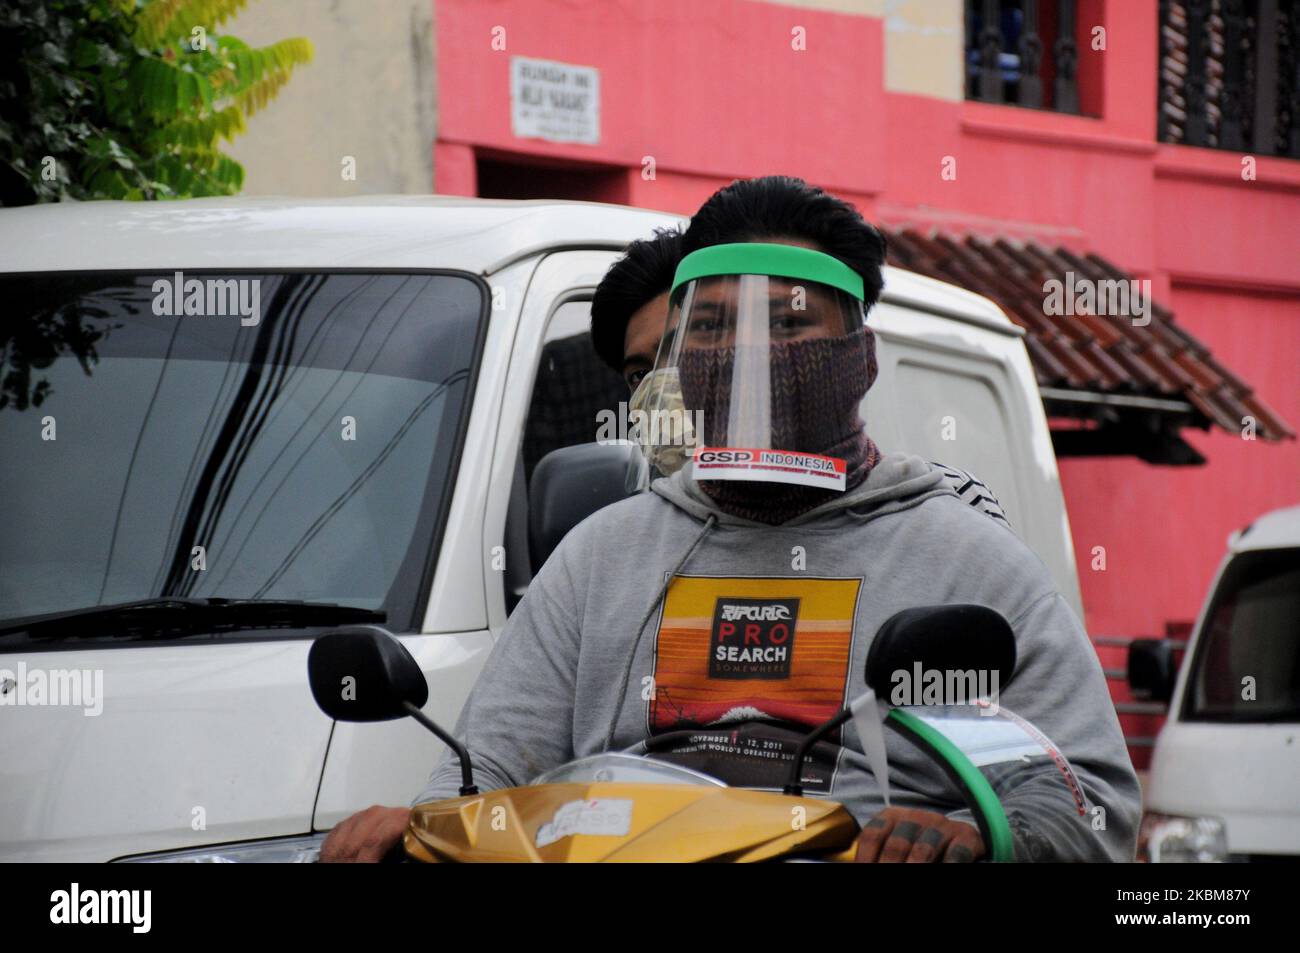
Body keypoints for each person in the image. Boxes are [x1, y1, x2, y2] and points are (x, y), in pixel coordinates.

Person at [322, 176, 1140, 863]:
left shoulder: (969, 562)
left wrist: (977, 835)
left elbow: (1092, 803)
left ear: (860, 358)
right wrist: (421, 828)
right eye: (713, 326)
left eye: (787, 322)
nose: (748, 351)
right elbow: (490, 771)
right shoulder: (600, 559)